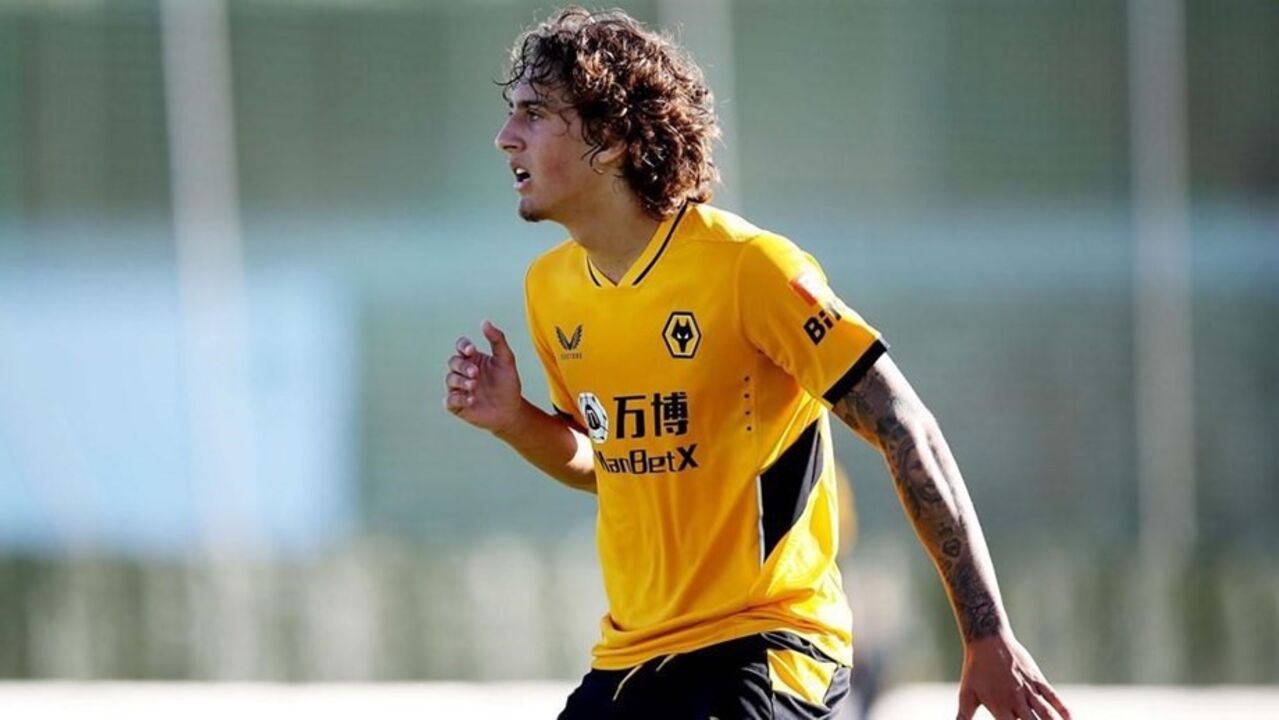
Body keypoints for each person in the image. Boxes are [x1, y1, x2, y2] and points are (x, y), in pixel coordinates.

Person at [444, 8, 1071, 720]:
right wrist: (514, 420)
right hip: (632, 658)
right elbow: (609, 464)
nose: (505, 136)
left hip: (769, 642)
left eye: (533, 113)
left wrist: (986, 633)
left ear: (610, 138)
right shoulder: (549, 290)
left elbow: (905, 425)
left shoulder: (750, 268)